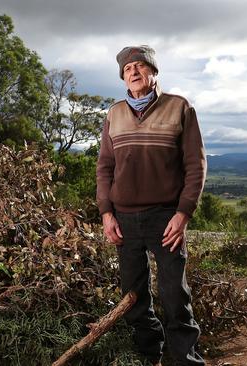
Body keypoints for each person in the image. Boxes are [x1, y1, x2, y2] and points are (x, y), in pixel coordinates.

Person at [96, 45, 206, 366]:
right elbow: (104, 167)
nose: (133, 71)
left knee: (174, 296)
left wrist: (183, 213)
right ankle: (149, 359)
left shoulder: (180, 108)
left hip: (166, 219)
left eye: (140, 66)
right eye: (128, 68)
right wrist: (106, 213)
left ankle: (186, 361)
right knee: (134, 299)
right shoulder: (114, 113)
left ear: (154, 72)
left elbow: (195, 166)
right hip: (124, 220)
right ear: (123, 78)